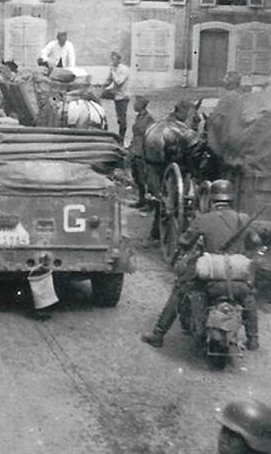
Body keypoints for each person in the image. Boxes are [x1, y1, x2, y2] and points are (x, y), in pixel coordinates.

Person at [141, 179, 262, 350]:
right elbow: (256, 242)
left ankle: (158, 334)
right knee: (248, 296)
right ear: (230, 199)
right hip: (236, 277)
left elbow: (184, 242)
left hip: (212, 276)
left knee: (179, 290)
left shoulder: (203, 219)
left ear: (212, 199)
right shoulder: (243, 219)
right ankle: (254, 339)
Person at [128, 96, 154, 209]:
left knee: (145, 179)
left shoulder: (149, 119)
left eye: (136, 103)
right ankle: (141, 200)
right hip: (135, 150)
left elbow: (149, 136)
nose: (134, 105)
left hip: (143, 151)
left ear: (141, 105)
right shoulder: (139, 117)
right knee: (138, 178)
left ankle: (150, 203)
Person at [103, 51, 131, 142]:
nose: (112, 61)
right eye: (111, 59)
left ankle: (121, 140)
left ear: (119, 60)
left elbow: (119, 82)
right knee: (98, 94)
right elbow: (108, 82)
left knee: (122, 119)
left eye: (114, 59)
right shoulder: (113, 69)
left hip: (123, 97)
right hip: (116, 95)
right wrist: (99, 86)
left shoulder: (124, 69)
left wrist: (112, 72)